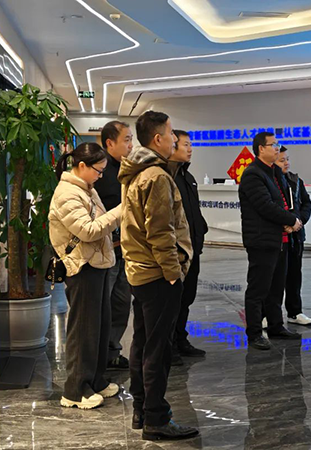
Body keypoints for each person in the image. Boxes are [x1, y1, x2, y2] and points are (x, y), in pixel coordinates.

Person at [118, 111, 198, 441]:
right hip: (157, 274)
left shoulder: (135, 172)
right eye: (171, 133)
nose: (175, 139)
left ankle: (141, 409)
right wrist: (172, 273)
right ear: (157, 139)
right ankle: (156, 418)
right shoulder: (156, 176)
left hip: (140, 271)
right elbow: (160, 231)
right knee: (158, 349)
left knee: (143, 342)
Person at [49, 142, 122, 410]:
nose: (101, 176)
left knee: (99, 327)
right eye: (98, 170)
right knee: (83, 329)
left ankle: (95, 380)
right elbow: (88, 231)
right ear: (82, 166)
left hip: (97, 263)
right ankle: (76, 390)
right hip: (81, 266)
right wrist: (121, 210)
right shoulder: (67, 193)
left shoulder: (86, 188)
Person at [239, 131, 303, 350]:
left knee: (276, 287)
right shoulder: (252, 174)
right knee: (258, 289)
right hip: (262, 240)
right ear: (261, 149)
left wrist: (290, 220)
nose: (277, 148)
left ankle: (276, 326)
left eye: (278, 144)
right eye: (273, 145)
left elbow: (284, 203)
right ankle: (254, 333)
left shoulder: (275, 172)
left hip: (280, 239)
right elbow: (265, 206)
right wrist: (290, 220)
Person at [94, 120, 133, 370]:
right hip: (105, 250)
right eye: (126, 140)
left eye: (131, 140)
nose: (131, 145)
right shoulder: (99, 173)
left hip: (126, 250)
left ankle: (112, 351)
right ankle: (97, 357)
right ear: (110, 143)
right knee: (102, 306)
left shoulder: (127, 169)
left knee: (121, 304)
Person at [169, 130, 208, 365]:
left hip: (193, 250)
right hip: (176, 253)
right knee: (173, 301)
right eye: (186, 144)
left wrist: (201, 229)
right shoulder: (168, 177)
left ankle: (181, 339)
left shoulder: (188, 176)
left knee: (187, 298)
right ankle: (170, 346)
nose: (190, 148)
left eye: (191, 144)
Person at [274, 146, 311, 326]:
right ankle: (268, 314)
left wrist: (298, 221)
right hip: (277, 236)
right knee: (274, 278)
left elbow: (307, 204)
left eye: (287, 159)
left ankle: (294, 312)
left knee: (294, 275)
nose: (286, 163)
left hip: (296, 236)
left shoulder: (295, 181)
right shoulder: (269, 182)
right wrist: (286, 223)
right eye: (282, 160)